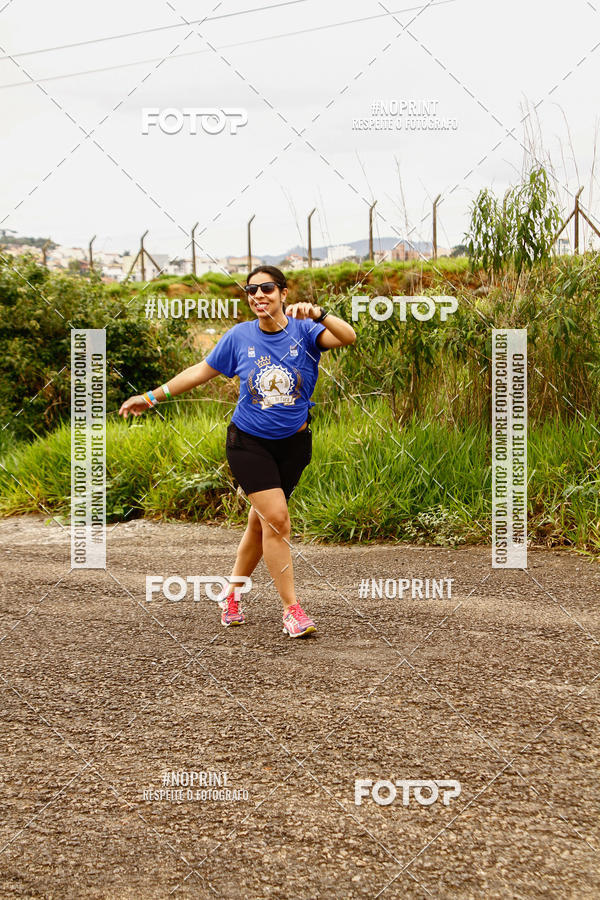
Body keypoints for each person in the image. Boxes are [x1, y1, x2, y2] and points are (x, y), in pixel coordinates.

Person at [118, 266, 356, 637]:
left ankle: (231, 593)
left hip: (294, 444)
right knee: (277, 519)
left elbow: (348, 336)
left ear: (283, 293)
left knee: (261, 522)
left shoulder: (305, 331)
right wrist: (151, 397)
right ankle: (292, 611)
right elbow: (200, 371)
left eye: (267, 288)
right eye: (251, 290)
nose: (259, 295)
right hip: (248, 442)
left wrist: (319, 313)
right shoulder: (239, 336)